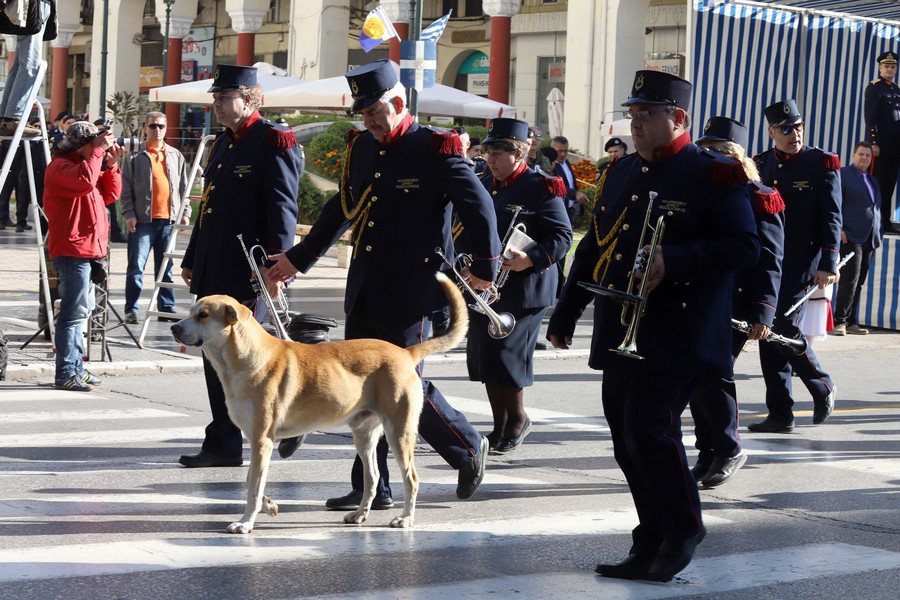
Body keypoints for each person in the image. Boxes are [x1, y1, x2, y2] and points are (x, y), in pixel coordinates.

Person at [547, 70, 759, 582]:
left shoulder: (714, 172)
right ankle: (650, 537)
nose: (635, 124)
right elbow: (595, 247)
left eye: (646, 115)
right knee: (626, 437)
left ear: (678, 118)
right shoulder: (621, 172)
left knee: (650, 430)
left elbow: (745, 245)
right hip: (621, 323)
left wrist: (679, 260)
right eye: (633, 115)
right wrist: (567, 310)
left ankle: (683, 529)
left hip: (679, 328)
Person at [265, 59, 500, 510]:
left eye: (374, 111)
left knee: (400, 381)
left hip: (414, 290)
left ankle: (467, 446)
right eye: (363, 112)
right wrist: (299, 258)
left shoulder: (436, 147)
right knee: (359, 386)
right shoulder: (363, 147)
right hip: (369, 285)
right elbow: (342, 208)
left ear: (397, 102)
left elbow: (479, 206)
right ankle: (373, 488)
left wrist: (486, 267)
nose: (367, 120)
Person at [177, 64, 303, 469]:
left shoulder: (274, 140)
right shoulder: (223, 144)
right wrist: (194, 258)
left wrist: (277, 267)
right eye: (215, 97)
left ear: (250, 99)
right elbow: (209, 209)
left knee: (253, 361)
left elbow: (282, 209)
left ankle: (283, 421)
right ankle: (224, 441)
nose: (216, 104)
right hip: (216, 269)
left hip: (251, 272)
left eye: (224, 97)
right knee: (216, 357)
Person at [459, 118, 571, 453]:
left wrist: (531, 258)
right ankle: (500, 425)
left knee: (506, 355)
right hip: (487, 285)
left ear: (519, 152)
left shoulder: (541, 186)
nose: (490, 159)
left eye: (498, 152)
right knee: (484, 357)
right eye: (488, 152)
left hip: (525, 287)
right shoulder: (483, 183)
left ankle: (517, 419)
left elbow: (562, 236)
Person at [689, 116, 785, 488]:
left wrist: (764, 311)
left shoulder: (759, 194)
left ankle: (729, 448)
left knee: (714, 375)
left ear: (734, 156)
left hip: (737, 303)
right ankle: (707, 450)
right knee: (696, 376)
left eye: (714, 151)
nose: (706, 156)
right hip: (700, 296)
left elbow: (770, 258)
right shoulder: (701, 190)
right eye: (703, 149)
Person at [748, 99, 841, 433]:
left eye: (798, 128)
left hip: (804, 262)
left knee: (781, 328)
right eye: (786, 129)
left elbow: (832, 216)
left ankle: (822, 384)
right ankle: (780, 412)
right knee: (767, 332)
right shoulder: (760, 165)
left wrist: (829, 262)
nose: (794, 134)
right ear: (772, 132)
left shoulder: (821, 163)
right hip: (769, 263)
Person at [42, 121, 125, 391]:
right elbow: (84, 182)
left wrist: (111, 165)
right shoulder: (60, 168)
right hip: (72, 251)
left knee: (82, 311)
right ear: (81, 145)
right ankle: (66, 372)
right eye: (93, 143)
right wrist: (99, 153)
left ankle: (76, 366)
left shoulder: (84, 165)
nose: (98, 148)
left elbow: (110, 194)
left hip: (88, 251)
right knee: (72, 314)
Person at [120, 111, 191, 324]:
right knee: (136, 268)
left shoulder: (175, 155)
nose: (157, 130)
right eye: (152, 126)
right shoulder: (133, 156)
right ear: (145, 128)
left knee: (166, 269)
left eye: (161, 126)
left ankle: (165, 308)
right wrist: (129, 214)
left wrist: (185, 212)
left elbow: (183, 188)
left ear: (166, 128)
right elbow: (125, 190)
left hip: (168, 221)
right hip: (142, 222)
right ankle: (131, 309)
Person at [834, 141, 883, 336]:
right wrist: (840, 229)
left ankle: (851, 320)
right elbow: (835, 204)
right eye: (861, 154)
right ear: (853, 156)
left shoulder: (873, 180)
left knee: (860, 280)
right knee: (849, 279)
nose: (864, 158)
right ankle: (840, 321)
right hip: (851, 235)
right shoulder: (843, 175)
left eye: (867, 156)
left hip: (869, 237)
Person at [0, 0, 54, 137]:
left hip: (36, 5)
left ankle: (6, 118)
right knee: (30, 66)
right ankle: (14, 118)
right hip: (35, 5)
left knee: (21, 66)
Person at [864, 50, 900, 235]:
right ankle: (873, 221)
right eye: (886, 66)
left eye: (893, 67)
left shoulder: (896, 89)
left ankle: (884, 221)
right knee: (877, 184)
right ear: (880, 68)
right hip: (881, 146)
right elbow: (870, 117)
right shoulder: (875, 87)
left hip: (895, 146)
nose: (889, 69)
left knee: (889, 185)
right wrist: (874, 142)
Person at [551, 135, 589, 224]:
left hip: (569, 211)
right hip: (557, 211)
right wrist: (575, 193)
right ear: (553, 149)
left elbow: (571, 183)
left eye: (565, 151)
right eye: (559, 151)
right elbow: (556, 184)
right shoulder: (550, 165)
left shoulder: (566, 162)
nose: (563, 154)